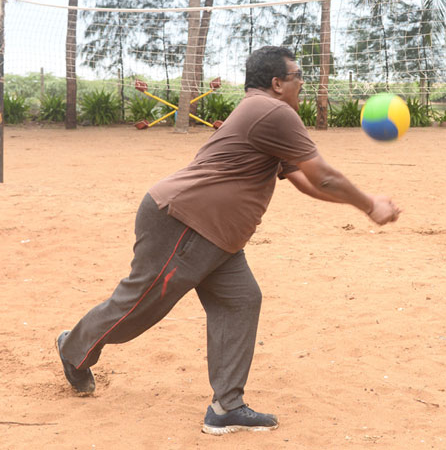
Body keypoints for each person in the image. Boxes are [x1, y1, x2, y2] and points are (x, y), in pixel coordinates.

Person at [56, 46, 401, 435]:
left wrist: (361, 206)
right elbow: (323, 175)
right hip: (185, 222)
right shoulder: (273, 111)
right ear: (276, 83)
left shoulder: (264, 112)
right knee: (139, 306)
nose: (302, 82)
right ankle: (74, 348)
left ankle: (226, 406)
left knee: (240, 300)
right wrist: (369, 203)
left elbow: (304, 181)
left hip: (217, 234)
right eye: (297, 75)